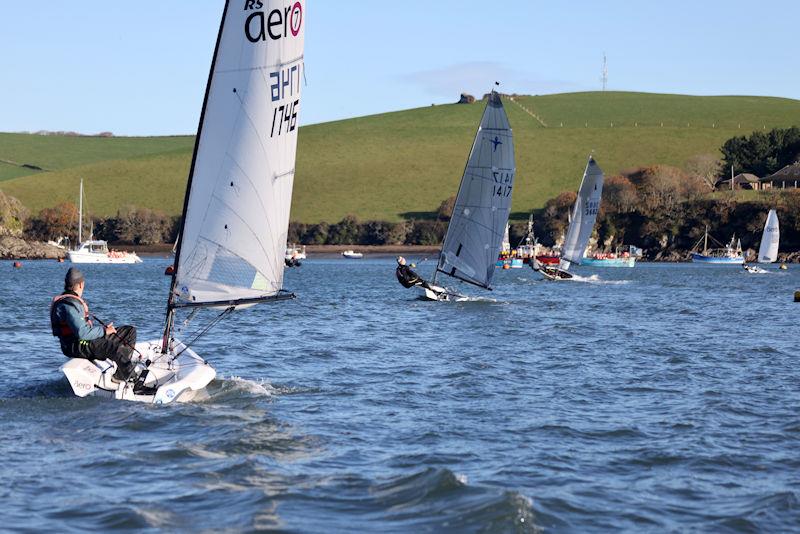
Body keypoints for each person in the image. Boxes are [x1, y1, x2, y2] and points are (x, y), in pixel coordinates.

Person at [50, 267, 138, 383]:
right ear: (81, 284)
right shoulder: (68, 306)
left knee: (129, 331)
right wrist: (104, 331)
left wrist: (105, 330)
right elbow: (83, 333)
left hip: (84, 341)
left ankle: (121, 374)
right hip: (75, 345)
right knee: (113, 347)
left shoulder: (71, 301)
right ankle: (133, 379)